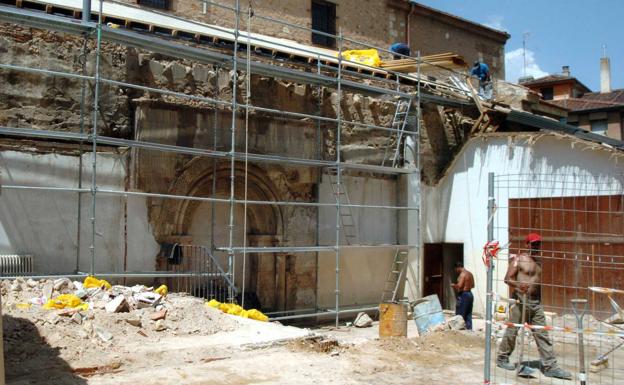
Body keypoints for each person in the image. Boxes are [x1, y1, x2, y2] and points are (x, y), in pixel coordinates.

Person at [496, 233, 572, 380]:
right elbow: (507, 278)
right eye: (533, 244)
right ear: (527, 244)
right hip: (520, 301)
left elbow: (538, 285)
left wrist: (539, 301)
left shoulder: (539, 262)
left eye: (538, 244)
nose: (536, 247)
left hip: (536, 303)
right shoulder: (519, 259)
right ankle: (502, 358)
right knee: (512, 331)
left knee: (542, 334)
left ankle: (551, 367)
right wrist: (519, 285)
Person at [451, 261, 474, 330]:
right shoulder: (470, 274)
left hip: (464, 295)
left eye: (455, 269)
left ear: (458, 268)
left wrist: (453, 285)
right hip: (470, 294)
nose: (456, 271)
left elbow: (459, 286)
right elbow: (473, 285)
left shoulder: (462, 274)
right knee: (468, 314)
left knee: (460, 314)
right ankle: (469, 329)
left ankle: (460, 330)